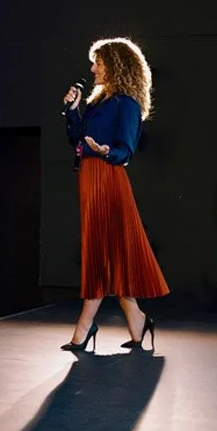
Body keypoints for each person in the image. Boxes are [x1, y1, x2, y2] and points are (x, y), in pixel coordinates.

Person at [61, 37, 170, 351]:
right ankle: (137, 319)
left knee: (101, 248)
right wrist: (73, 110)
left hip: (108, 178)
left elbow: (126, 150)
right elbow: (77, 140)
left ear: (114, 64)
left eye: (98, 62)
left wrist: (108, 151)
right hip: (90, 177)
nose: (93, 68)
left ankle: (84, 327)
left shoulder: (128, 104)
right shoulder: (98, 101)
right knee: (110, 250)